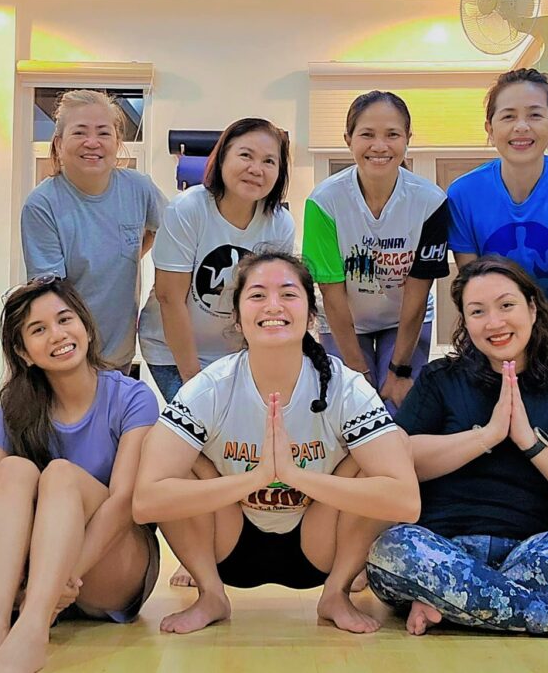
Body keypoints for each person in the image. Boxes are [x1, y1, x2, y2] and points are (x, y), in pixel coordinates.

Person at [133, 251, 420, 635]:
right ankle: (211, 593)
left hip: (319, 544)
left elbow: (406, 500)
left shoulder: (344, 387)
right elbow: (145, 501)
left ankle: (336, 593)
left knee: (387, 451)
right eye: (257, 295)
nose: (273, 306)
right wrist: (255, 479)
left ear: (311, 315)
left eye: (288, 294)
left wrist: (294, 476)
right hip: (229, 543)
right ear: (237, 318)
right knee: (171, 457)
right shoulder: (211, 388)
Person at [365, 255, 548, 648]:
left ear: (532, 308)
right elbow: (396, 459)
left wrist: (531, 442)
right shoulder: (441, 379)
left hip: (532, 555)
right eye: (477, 311)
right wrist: (487, 436)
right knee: (392, 550)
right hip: (441, 548)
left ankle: (452, 602)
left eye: (506, 305)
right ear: (465, 321)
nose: (494, 322)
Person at [0, 277, 160, 673]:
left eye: (65, 319)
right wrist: (26, 576)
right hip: (36, 580)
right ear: (23, 352)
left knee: (60, 474)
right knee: (14, 469)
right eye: (38, 329)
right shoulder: (13, 410)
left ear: (85, 326)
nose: (57, 335)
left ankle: (32, 633)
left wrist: (63, 578)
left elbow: (125, 503)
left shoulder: (131, 397)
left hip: (111, 567)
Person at [446, 69, 548, 370]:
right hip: (495, 315)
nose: (521, 127)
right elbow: (471, 286)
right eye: (508, 116)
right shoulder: (463, 194)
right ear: (490, 128)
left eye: (535, 115)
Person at [303, 91, 449, 414]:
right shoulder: (323, 202)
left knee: (399, 408)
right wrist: (358, 371)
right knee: (352, 409)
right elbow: (331, 292)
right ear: (348, 139)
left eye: (392, 135)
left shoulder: (431, 202)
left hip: (404, 318)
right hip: (345, 320)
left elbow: (418, 291)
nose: (380, 146)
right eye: (367, 134)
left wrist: (399, 370)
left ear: (408, 139)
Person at [137, 118, 296, 401]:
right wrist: (192, 380)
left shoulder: (280, 224)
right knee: (200, 424)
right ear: (222, 157)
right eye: (245, 155)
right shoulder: (188, 209)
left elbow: (269, 303)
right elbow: (169, 297)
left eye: (269, 161)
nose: (256, 169)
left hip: (235, 355)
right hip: (171, 352)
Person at [22, 89, 167, 372]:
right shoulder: (42, 204)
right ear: (59, 143)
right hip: (67, 357)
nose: (92, 142)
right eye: (79, 133)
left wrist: (131, 253)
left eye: (103, 133)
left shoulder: (139, 189)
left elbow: (177, 234)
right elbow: (50, 294)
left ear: (117, 142)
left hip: (121, 354)